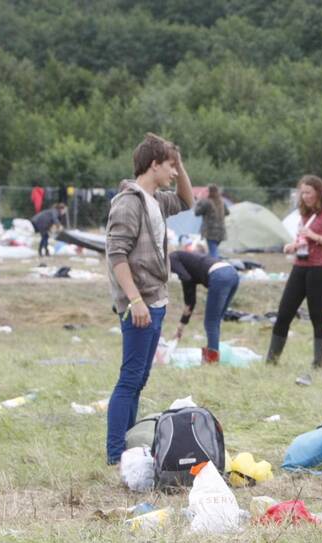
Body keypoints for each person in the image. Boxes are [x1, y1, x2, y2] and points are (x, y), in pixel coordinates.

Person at [104, 133, 192, 464]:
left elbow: (186, 201)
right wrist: (135, 300)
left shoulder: (155, 200)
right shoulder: (129, 202)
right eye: (170, 166)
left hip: (156, 300)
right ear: (153, 165)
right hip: (139, 304)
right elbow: (117, 254)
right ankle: (115, 455)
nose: (173, 173)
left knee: (140, 378)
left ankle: (126, 446)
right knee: (129, 379)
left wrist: (181, 163)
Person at [265, 175, 322, 379]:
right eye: (302, 192)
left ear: (319, 192)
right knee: (284, 313)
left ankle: (318, 363)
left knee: (317, 316)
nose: (305, 196)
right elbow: (302, 239)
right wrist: (293, 246)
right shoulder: (304, 214)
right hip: (300, 267)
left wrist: (315, 236)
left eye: (308, 192)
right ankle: (271, 361)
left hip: (321, 269)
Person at [169, 249, 241, 364]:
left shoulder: (171, 258)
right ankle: (213, 352)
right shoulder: (187, 262)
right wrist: (180, 327)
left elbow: (185, 278)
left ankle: (211, 360)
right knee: (216, 321)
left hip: (219, 275)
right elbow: (190, 302)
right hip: (232, 273)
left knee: (211, 322)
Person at [194, 184, 229, 257]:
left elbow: (197, 212)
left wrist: (198, 200)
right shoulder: (221, 202)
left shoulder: (207, 202)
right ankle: (213, 262)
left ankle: (215, 264)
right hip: (221, 232)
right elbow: (227, 212)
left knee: (213, 252)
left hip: (210, 232)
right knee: (213, 250)